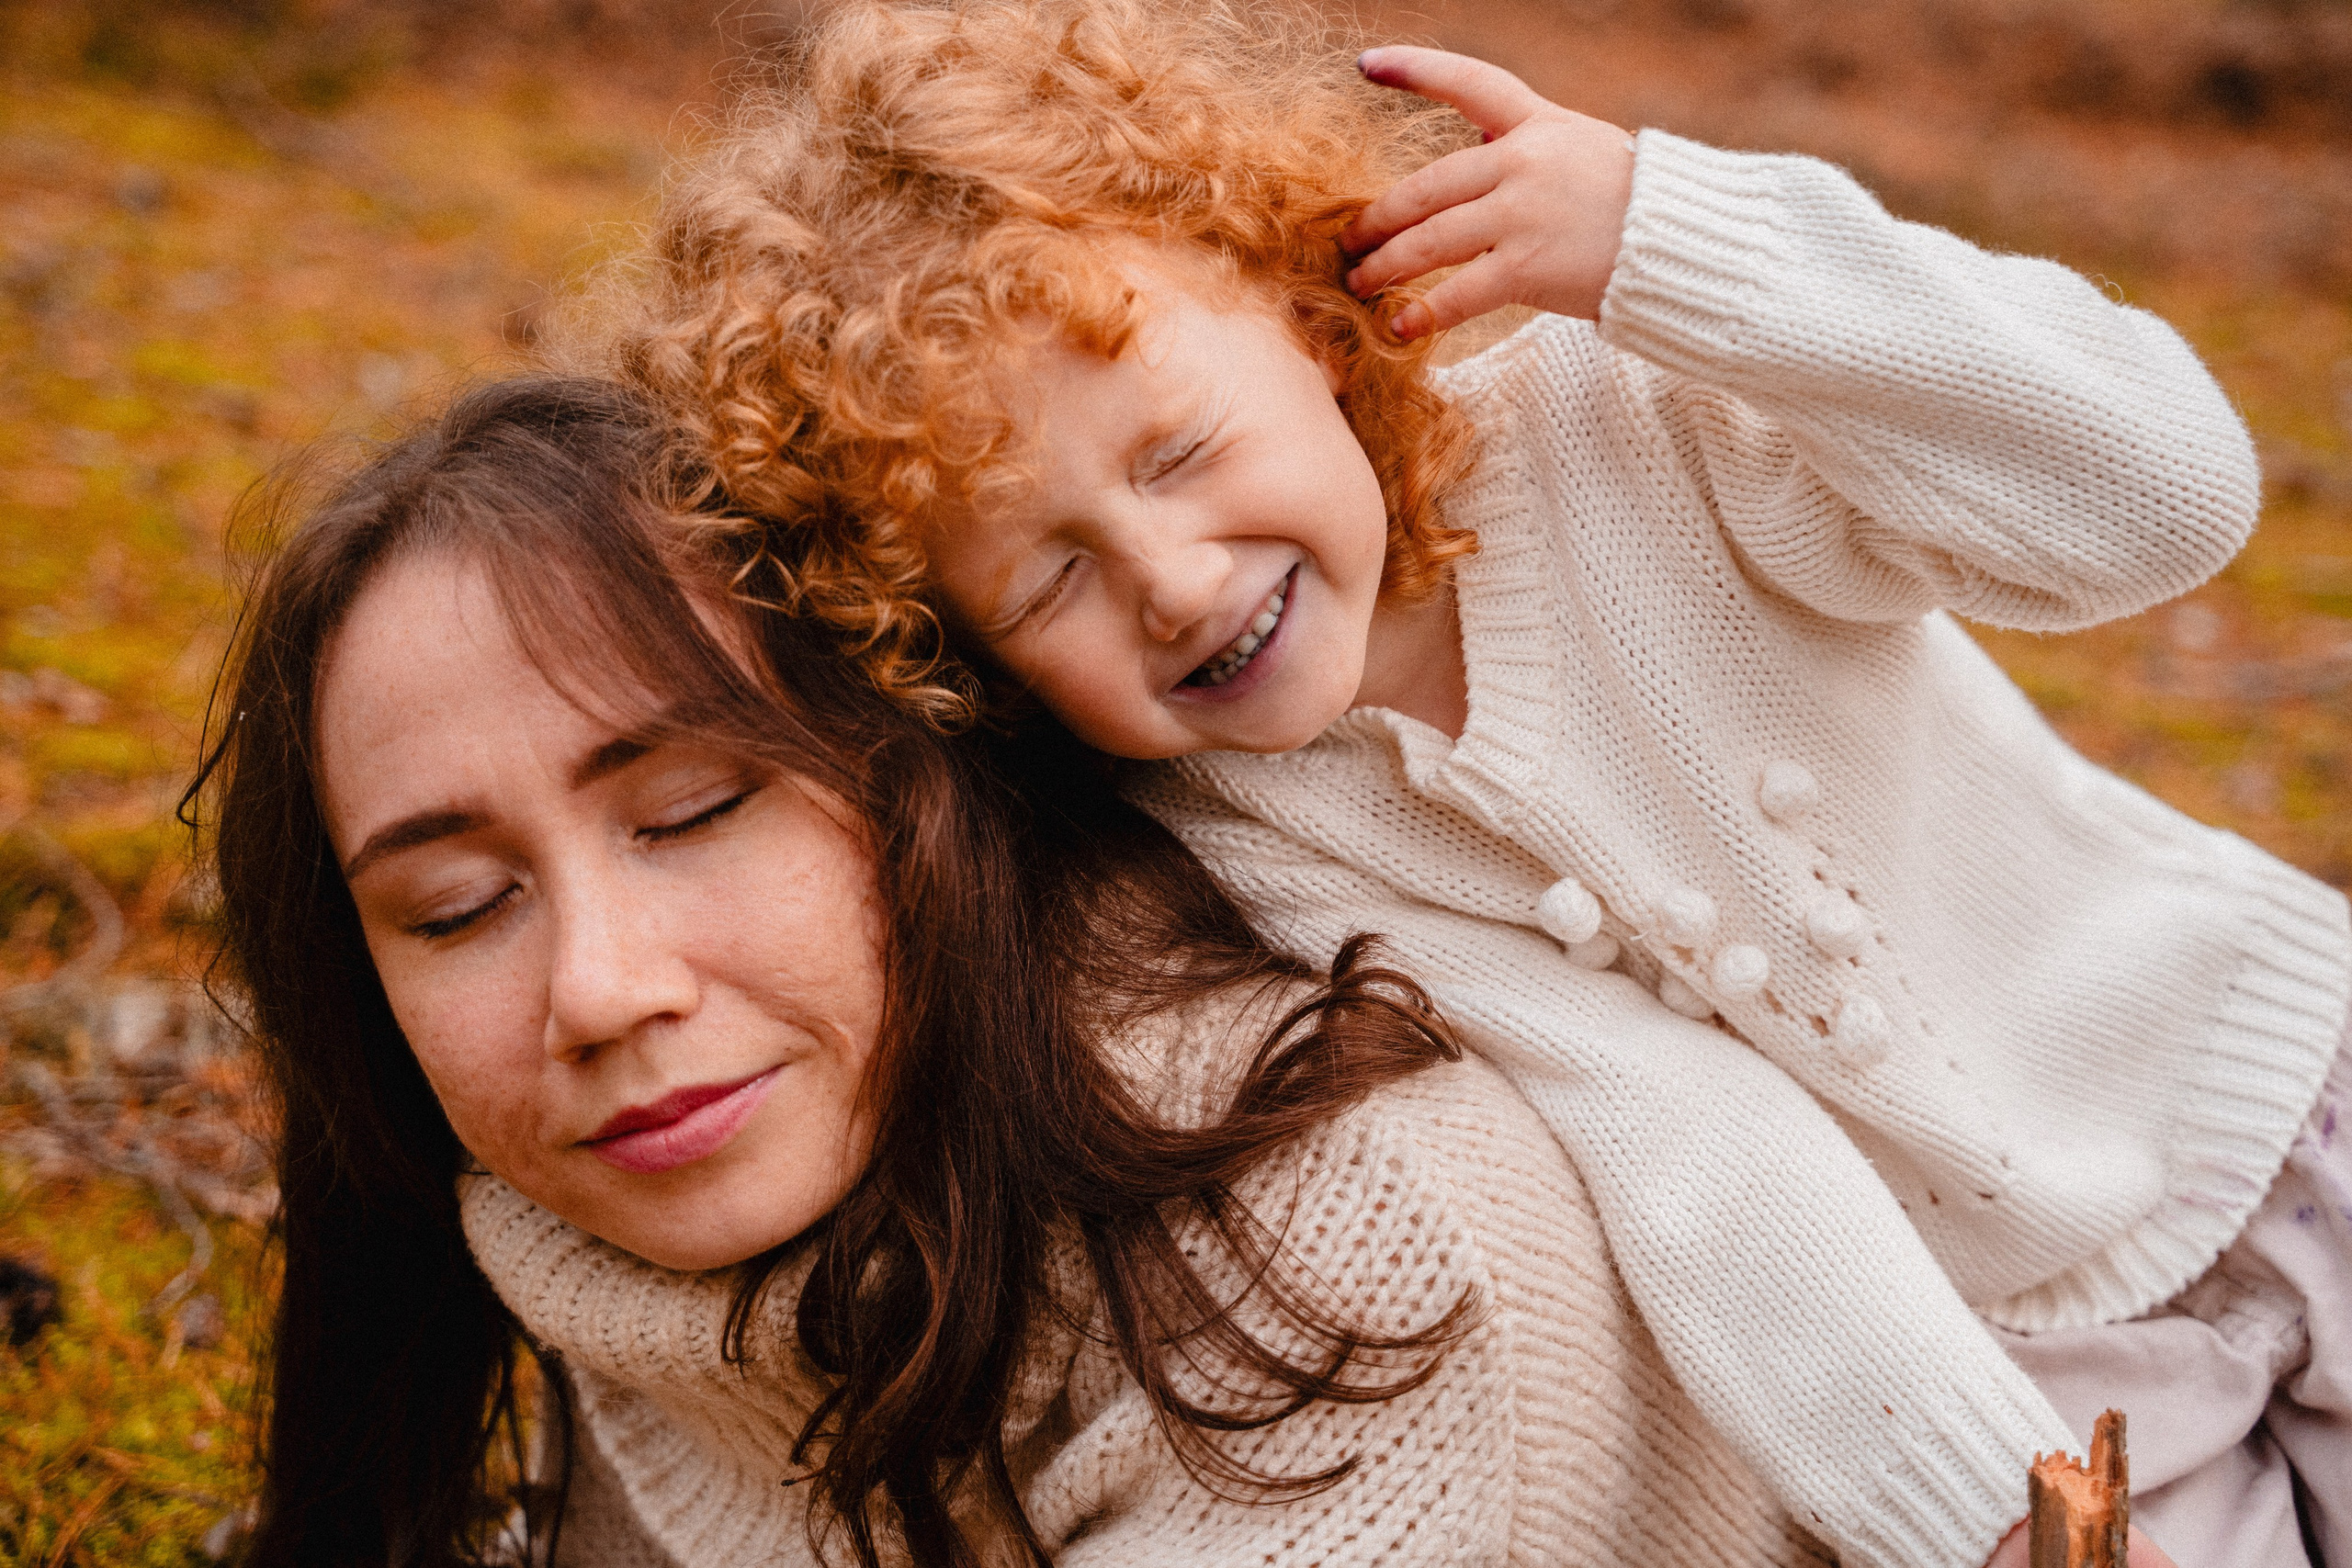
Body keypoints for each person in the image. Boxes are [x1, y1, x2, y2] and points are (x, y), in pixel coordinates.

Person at [593, 4, 2351, 1564]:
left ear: (1313, 320)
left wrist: (1679, 241)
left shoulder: (1631, 423)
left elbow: (2154, 499)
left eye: (1185, 451)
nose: (1178, 581)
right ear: (957, 648)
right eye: (1046, 577)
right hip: (2021, 1370)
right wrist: (1972, 1498)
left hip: (2263, 1089)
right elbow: (1694, 1149)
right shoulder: (1219, 849)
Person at [196, 376, 1828, 1567]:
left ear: (924, 776)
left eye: (692, 810)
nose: (602, 991)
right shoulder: (605, 1233)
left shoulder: (1344, 1258)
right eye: (461, 907)